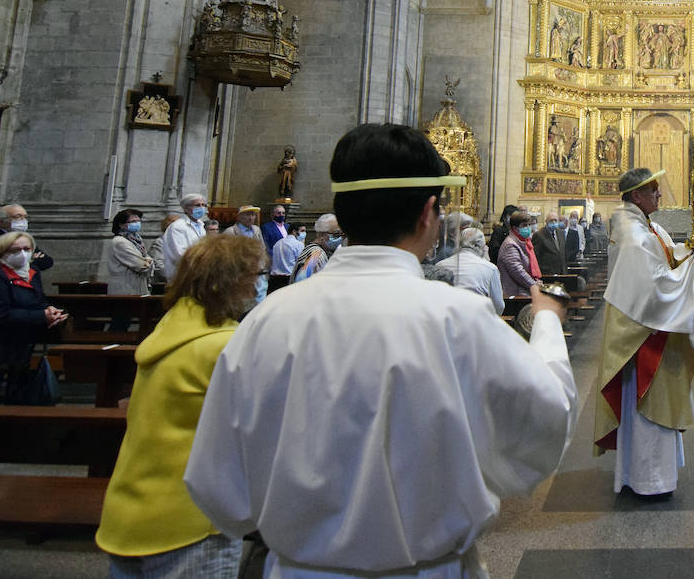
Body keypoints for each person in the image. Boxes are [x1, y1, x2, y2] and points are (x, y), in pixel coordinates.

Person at [185, 123, 578, 577]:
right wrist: (546, 319)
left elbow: (217, 487)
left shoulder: (268, 319)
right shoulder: (457, 316)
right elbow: (548, 419)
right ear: (428, 211)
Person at [96, 234, 266, 577]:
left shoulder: (170, 329)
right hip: (191, 520)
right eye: (255, 276)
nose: (258, 284)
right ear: (234, 282)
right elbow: (264, 431)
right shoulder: (225, 347)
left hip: (131, 511)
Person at [595, 167, 694, 500]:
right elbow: (655, 288)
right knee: (649, 402)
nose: (659, 195)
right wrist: (693, 270)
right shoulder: (633, 233)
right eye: (653, 191)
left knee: (651, 403)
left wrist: (687, 256)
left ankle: (639, 474)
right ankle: (649, 479)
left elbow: (664, 261)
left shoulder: (642, 225)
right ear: (636, 195)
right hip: (643, 333)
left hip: (645, 328)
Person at [0, 231, 67, 402]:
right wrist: (41, 315)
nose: (22, 254)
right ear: (1, 252)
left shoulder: (31, 273)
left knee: (16, 393)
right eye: (15, 250)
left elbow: (38, 300)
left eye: (27, 249)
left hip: (22, 342)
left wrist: (50, 311)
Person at [431, 227, 505, 315]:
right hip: (477, 319)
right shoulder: (490, 269)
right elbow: (498, 306)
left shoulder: (439, 265)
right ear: (479, 246)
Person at [0, 204, 54, 272]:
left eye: (25, 217)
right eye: (18, 216)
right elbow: (1, 264)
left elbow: (47, 262)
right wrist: (31, 259)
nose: (23, 220)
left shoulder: (24, 239)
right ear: (2, 221)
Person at [106, 208, 156, 296]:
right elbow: (140, 265)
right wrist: (147, 261)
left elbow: (146, 259)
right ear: (121, 225)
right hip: (125, 288)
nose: (136, 223)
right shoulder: (120, 242)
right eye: (132, 221)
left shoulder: (136, 240)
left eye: (138, 221)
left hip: (137, 285)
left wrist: (147, 261)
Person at [497, 210, 543, 296]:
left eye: (529, 225)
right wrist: (534, 284)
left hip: (523, 290)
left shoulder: (524, 242)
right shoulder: (510, 244)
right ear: (515, 228)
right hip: (515, 293)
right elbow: (517, 271)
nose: (528, 228)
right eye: (524, 225)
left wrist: (535, 281)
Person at [161, 194, 208, 273]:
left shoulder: (201, 226)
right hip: (182, 272)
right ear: (186, 208)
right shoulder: (177, 227)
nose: (201, 208)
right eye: (197, 205)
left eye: (203, 205)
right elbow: (179, 253)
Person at [292, 213, 341, 282]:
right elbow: (302, 280)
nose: (340, 238)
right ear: (321, 234)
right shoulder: (315, 255)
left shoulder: (320, 251)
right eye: (336, 234)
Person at [147, 212, 183, 282]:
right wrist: (176, 277)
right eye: (173, 222)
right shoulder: (160, 242)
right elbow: (157, 265)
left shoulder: (182, 241)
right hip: (166, 282)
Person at [533, 211, 569, 277]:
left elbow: (563, 253)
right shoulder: (539, 235)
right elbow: (535, 257)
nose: (554, 222)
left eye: (555, 220)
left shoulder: (561, 233)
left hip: (562, 272)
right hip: (547, 273)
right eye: (551, 220)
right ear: (546, 221)